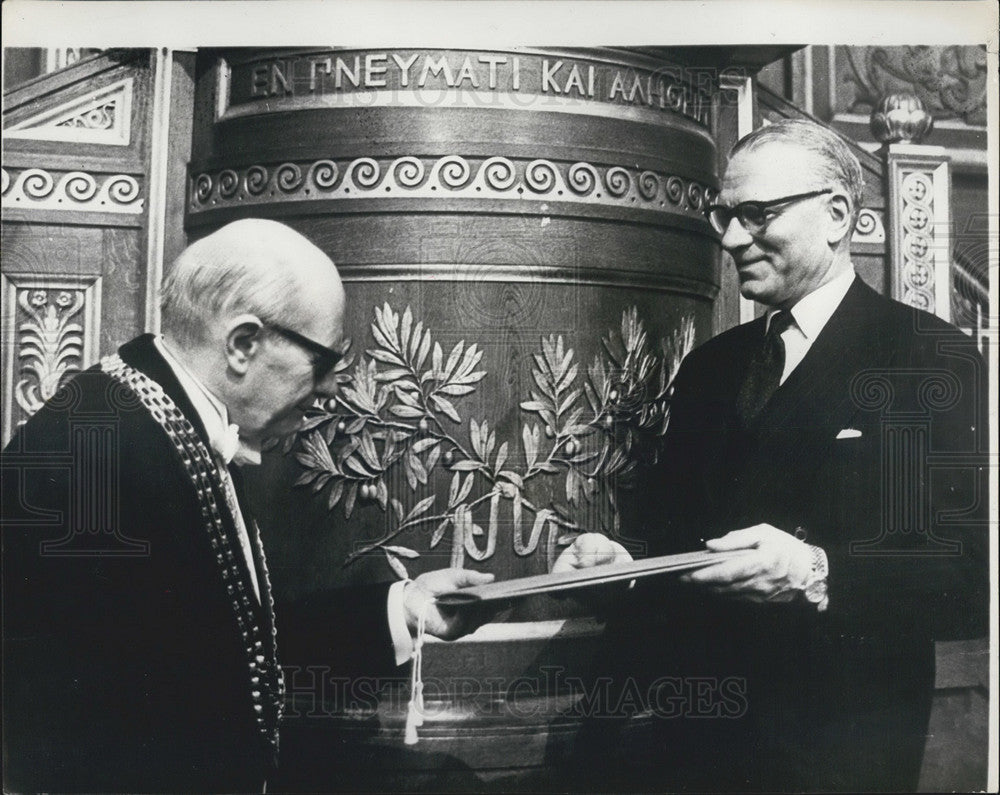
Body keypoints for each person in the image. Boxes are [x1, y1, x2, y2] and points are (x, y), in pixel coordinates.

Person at [555, 119, 989, 791]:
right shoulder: (710, 367)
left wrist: (815, 571)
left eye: (757, 214)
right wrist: (627, 567)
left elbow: (970, 579)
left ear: (837, 214)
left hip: (840, 750)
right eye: (724, 215)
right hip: (693, 743)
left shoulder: (928, 357)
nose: (731, 238)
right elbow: (676, 535)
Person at [1, 218, 493, 793]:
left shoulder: (164, 419)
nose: (331, 388)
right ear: (242, 344)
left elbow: (228, 649)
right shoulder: (86, 458)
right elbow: (73, 741)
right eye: (323, 362)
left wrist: (406, 608)